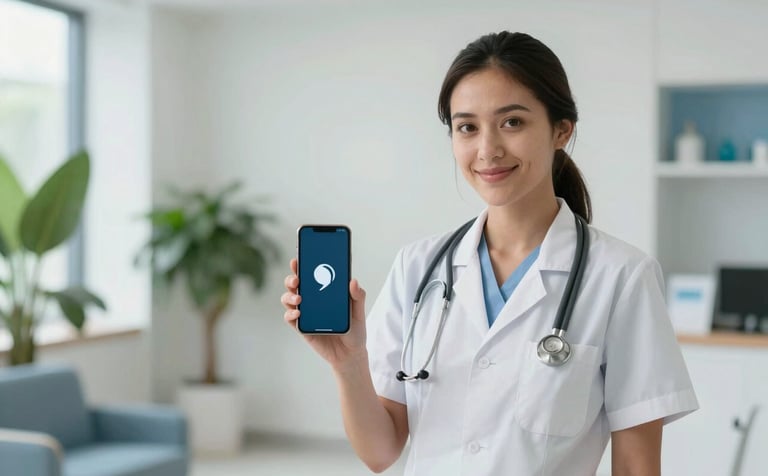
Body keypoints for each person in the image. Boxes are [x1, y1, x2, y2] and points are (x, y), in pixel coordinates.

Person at [281, 31, 698, 476]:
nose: (487, 150)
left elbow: (636, 466)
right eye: (467, 127)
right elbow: (380, 452)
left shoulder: (621, 276)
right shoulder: (418, 268)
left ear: (561, 129)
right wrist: (348, 364)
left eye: (512, 122)